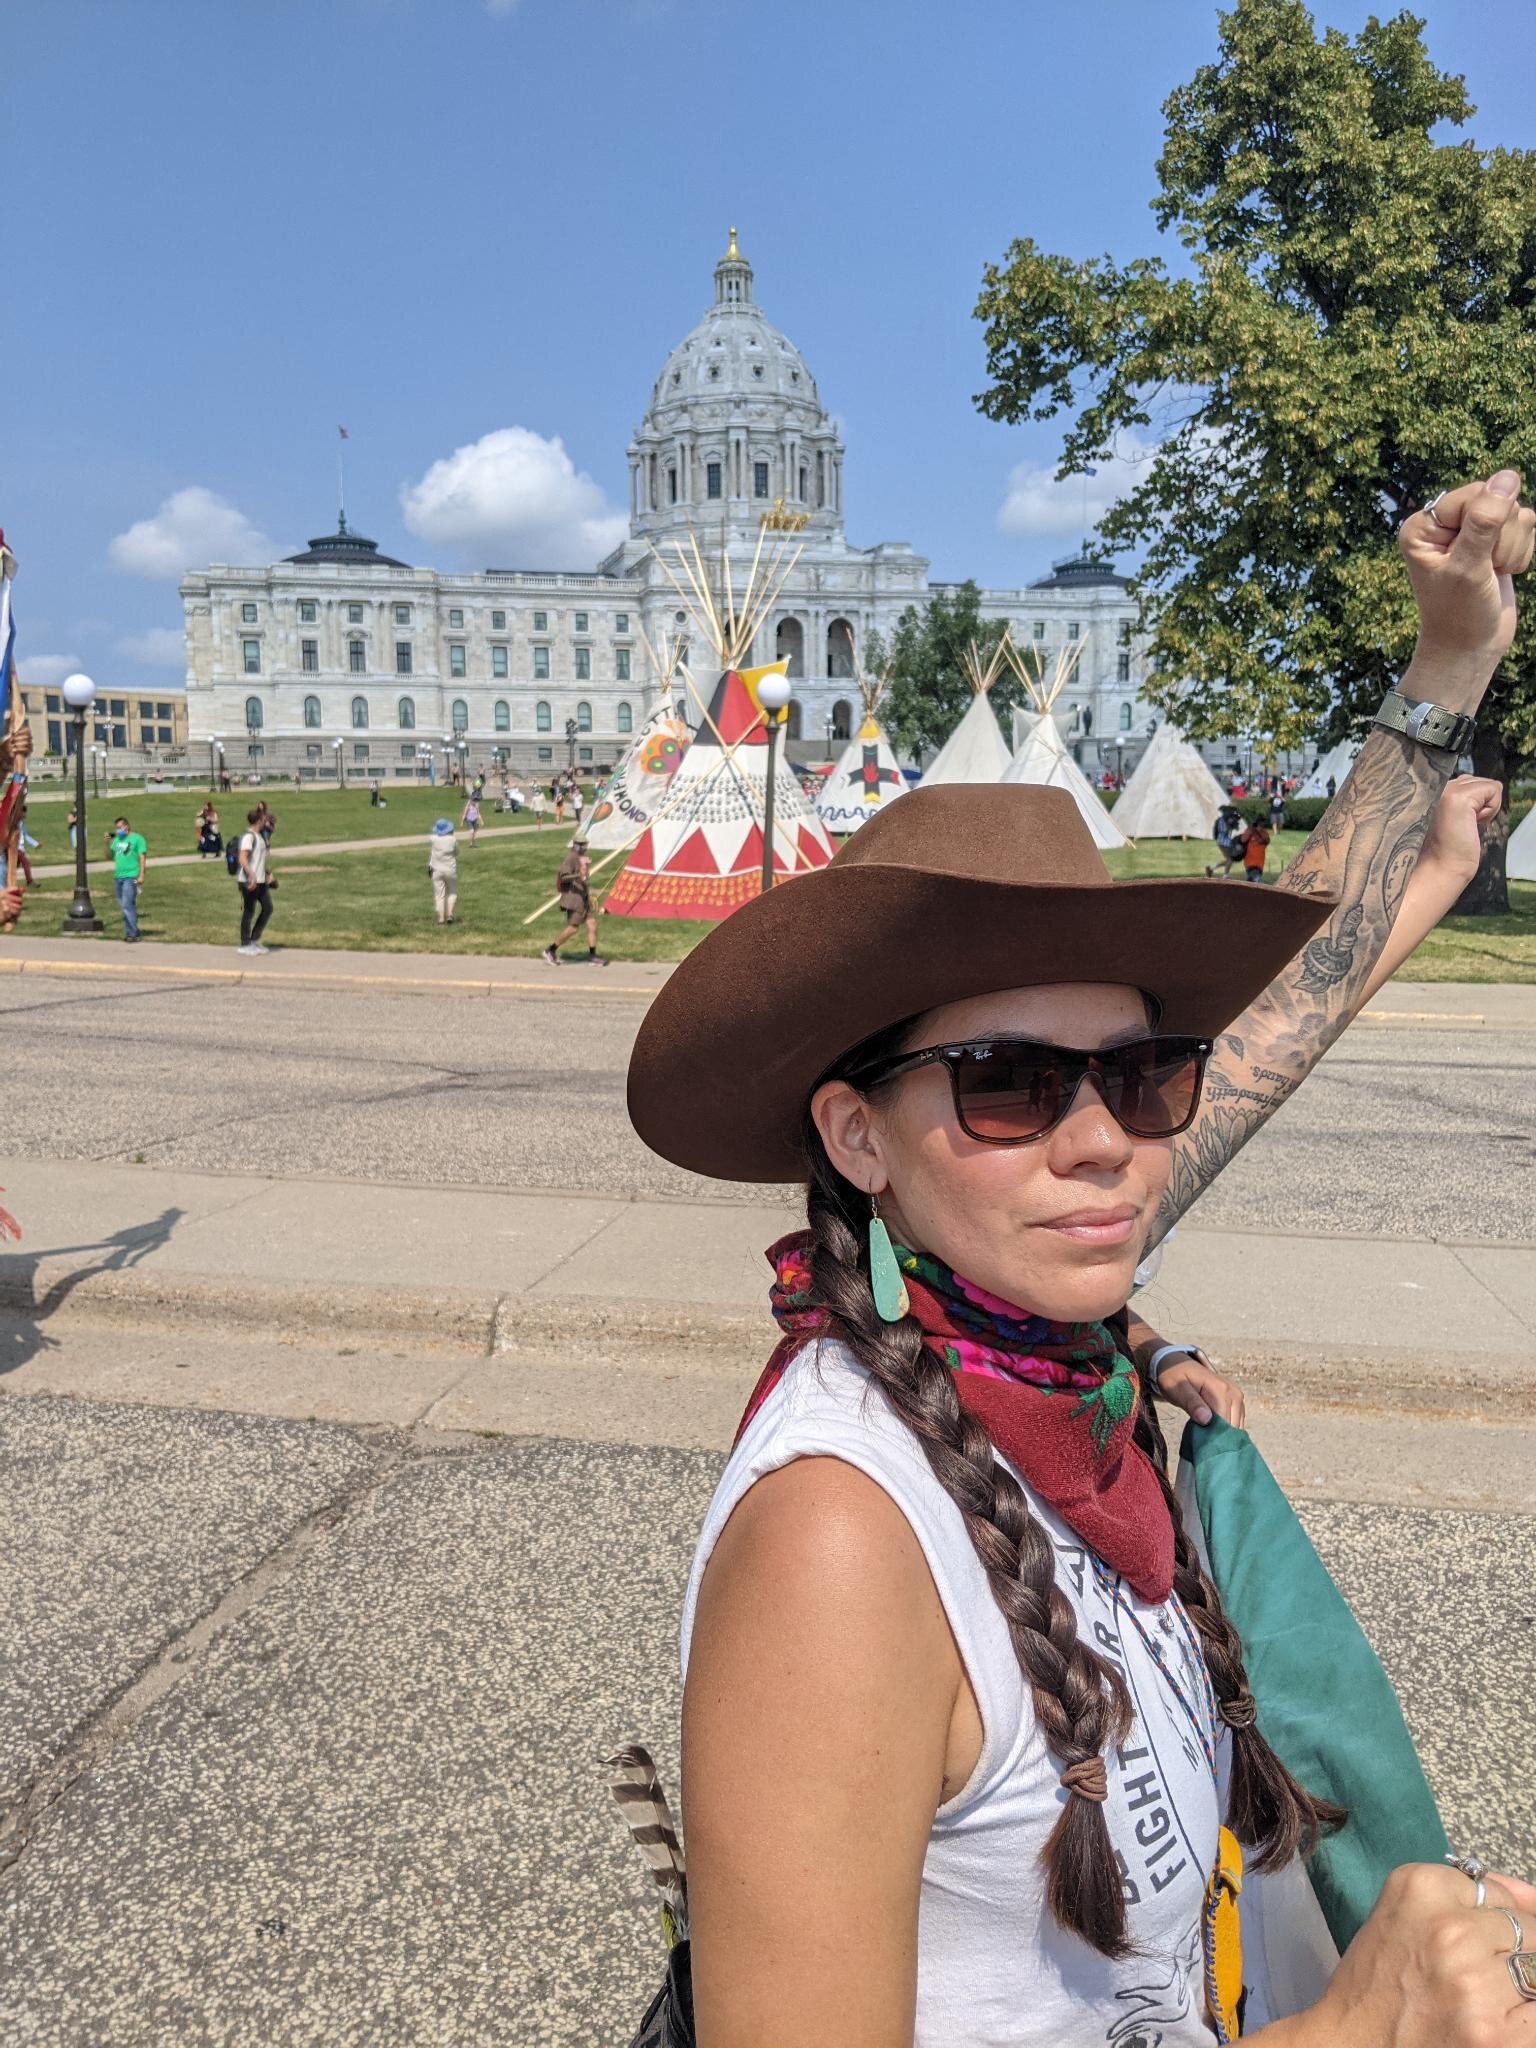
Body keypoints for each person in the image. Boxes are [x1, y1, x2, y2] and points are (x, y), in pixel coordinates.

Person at [615, 473, 1536, 2047]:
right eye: (1008, 1083)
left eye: (1145, 1071)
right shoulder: (843, 1541)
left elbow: (1287, 1000)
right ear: (855, 1137)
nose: (1105, 1139)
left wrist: (1447, 665)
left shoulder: (1034, 1318)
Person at [541, 835, 603, 965]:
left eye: (585, 844)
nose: (584, 846)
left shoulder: (581, 858)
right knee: (573, 928)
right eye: (581, 844)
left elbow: (584, 877)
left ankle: (592, 957)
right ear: (575, 844)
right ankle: (550, 950)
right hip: (574, 899)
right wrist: (578, 875)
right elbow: (564, 877)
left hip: (583, 898)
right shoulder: (571, 858)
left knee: (592, 924)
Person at [236, 805, 275, 954]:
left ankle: (255, 939)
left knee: (268, 908)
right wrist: (251, 876)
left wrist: (267, 875)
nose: (266, 821)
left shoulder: (260, 837)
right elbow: (242, 858)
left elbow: (258, 860)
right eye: (264, 819)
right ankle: (245, 944)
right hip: (249, 880)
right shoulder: (248, 837)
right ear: (258, 820)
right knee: (249, 911)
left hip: (260, 880)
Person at [107, 814, 147, 943]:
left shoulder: (137, 839)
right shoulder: (116, 841)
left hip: (131, 876)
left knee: (126, 905)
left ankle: (132, 934)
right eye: (116, 828)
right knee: (125, 905)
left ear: (126, 826)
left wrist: (141, 875)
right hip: (118, 876)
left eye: (120, 827)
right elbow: (108, 856)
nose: (118, 830)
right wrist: (106, 843)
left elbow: (142, 857)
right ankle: (133, 930)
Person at [428, 817, 458, 925]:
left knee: (439, 895)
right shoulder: (453, 839)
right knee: (452, 892)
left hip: (436, 869)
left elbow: (433, 843)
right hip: (450, 869)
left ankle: (440, 919)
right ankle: (450, 914)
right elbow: (456, 852)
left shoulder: (432, 839)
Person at [1205, 802, 1247, 880]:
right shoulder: (1222, 820)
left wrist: (1234, 824)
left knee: (1229, 860)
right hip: (1222, 842)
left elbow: (1236, 828)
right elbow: (1223, 830)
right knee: (1230, 860)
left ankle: (1211, 868)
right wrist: (1230, 824)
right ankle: (1225, 876)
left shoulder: (1228, 819)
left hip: (1227, 842)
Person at [1242, 814, 1273, 883]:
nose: (1263, 824)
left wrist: (1258, 830)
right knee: (1253, 882)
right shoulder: (1250, 831)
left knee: (1253, 882)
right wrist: (1251, 830)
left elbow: (1266, 840)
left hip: (1259, 863)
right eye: (1261, 822)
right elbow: (1243, 840)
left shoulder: (1265, 833)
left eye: (1263, 822)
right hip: (1249, 862)